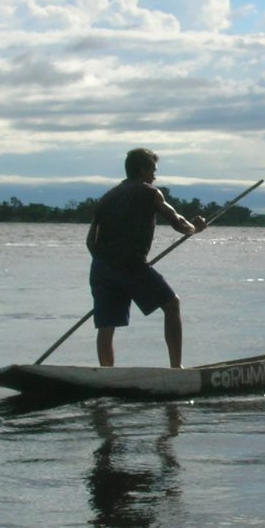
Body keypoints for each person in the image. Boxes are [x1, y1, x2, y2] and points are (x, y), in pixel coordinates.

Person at [86, 148, 206, 368]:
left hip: (101, 268)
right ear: (142, 170)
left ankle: (106, 374)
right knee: (172, 305)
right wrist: (195, 228)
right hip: (131, 266)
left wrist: (107, 264)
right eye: (153, 171)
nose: (155, 177)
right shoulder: (150, 192)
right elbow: (178, 221)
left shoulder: (107, 197)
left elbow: (90, 242)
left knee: (106, 326)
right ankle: (176, 368)